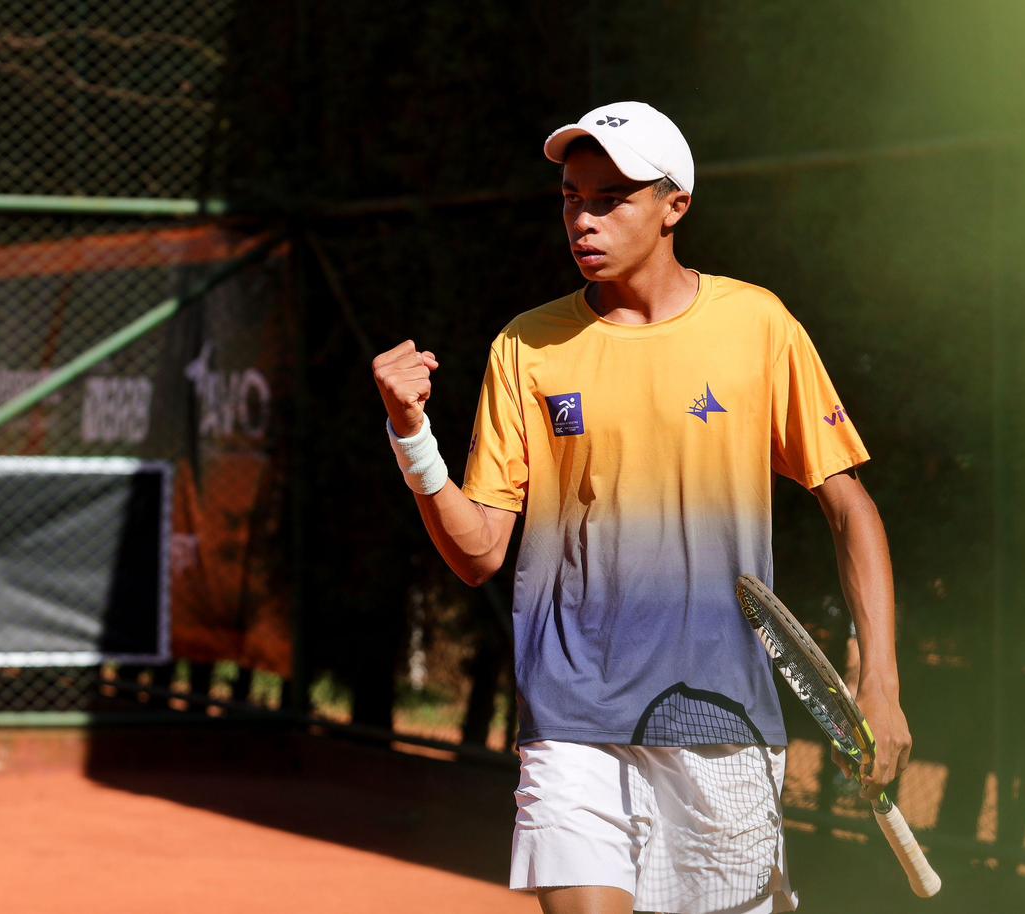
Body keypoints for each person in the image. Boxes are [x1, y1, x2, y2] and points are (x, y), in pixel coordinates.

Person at [372, 101, 912, 914]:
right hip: (573, 713)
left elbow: (849, 507)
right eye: (570, 196)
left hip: (723, 717)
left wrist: (882, 684)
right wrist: (413, 438)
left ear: (674, 207)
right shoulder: (525, 346)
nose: (583, 219)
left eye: (611, 198)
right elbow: (480, 551)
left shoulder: (758, 326)